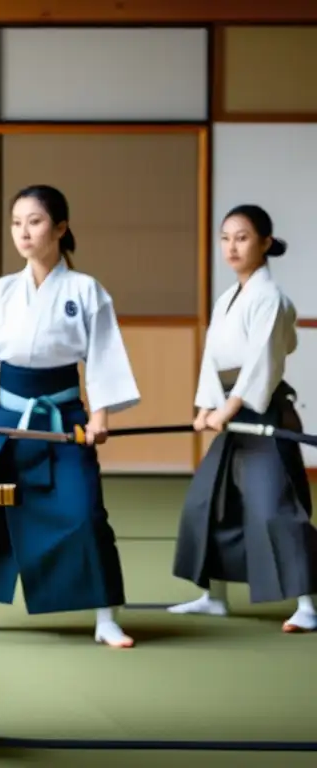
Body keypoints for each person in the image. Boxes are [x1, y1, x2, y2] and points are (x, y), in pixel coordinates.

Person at [0, 185, 140, 649]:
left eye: (35, 221)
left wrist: (100, 414)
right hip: (7, 419)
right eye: (17, 222)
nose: (24, 231)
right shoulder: (0, 292)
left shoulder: (85, 290)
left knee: (84, 513)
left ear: (60, 227)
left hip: (64, 420)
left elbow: (103, 357)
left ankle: (106, 617)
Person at [168, 204, 317, 633]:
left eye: (242, 237)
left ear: (265, 243)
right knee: (207, 503)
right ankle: (213, 598)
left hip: (263, 414)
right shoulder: (227, 298)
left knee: (275, 509)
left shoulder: (270, 297)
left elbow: (263, 363)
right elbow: (214, 359)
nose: (231, 246)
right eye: (226, 237)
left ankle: (308, 603)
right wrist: (204, 408)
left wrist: (225, 409)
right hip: (232, 415)